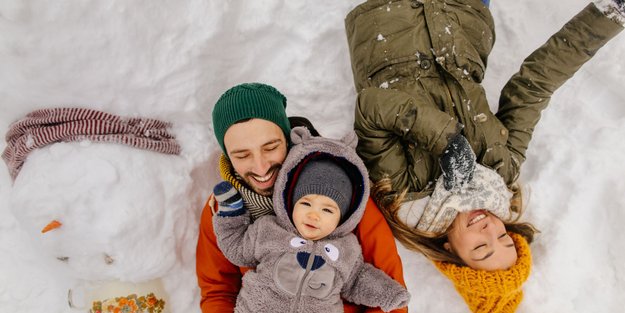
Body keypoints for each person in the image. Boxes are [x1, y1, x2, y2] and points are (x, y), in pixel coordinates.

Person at [345, 0, 624, 311]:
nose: (490, 228)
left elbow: (371, 107)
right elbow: (534, 87)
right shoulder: (500, 171)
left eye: (480, 247)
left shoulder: (406, 196)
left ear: (451, 252)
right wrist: (608, 16)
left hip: (390, 23)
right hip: (462, 14)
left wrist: (447, 141)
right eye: (504, 237)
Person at [196, 82, 408, 313]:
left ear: (288, 139)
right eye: (242, 155)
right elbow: (218, 291)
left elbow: (384, 287)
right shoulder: (225, 210)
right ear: (228, 157)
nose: (261, 166)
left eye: (270, 147)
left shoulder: (340, 192)